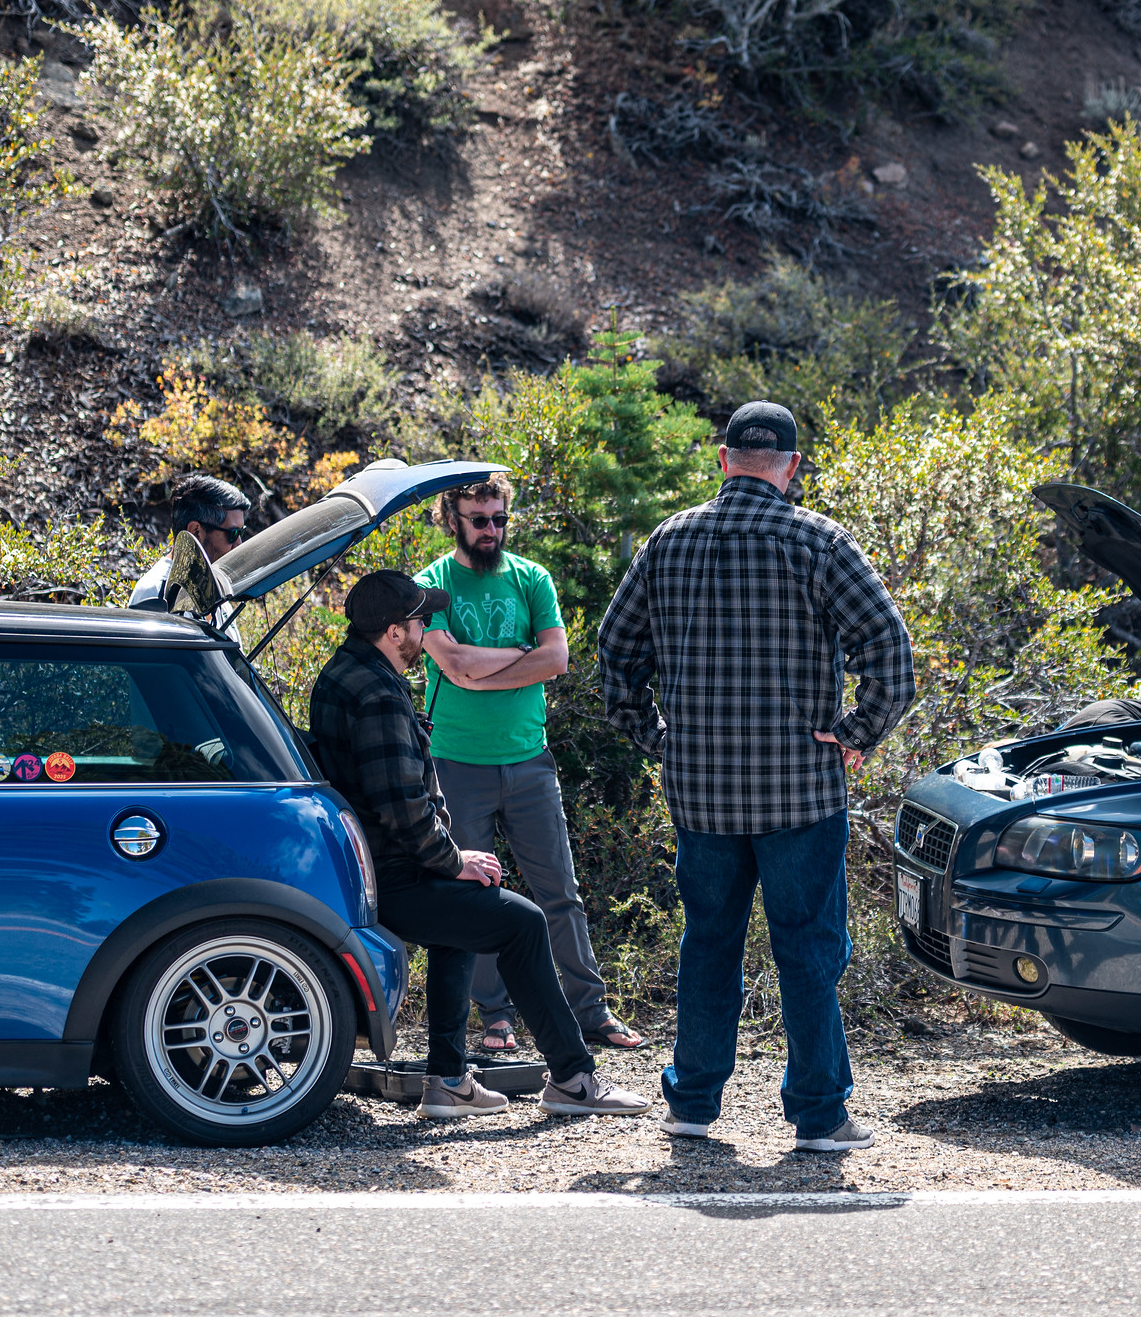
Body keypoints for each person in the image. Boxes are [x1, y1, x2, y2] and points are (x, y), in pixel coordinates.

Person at [597, 402, 916, 1152]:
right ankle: (820, 1116)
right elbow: (892, 657)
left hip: (700, 793)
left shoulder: (668, 540)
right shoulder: (820, 541)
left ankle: (691, 1103)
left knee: (708, 942)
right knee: (807, 949)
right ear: (792, 467)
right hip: (800, 792)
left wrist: (659, 738)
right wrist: (854, 732)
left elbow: (615, 654)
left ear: (723, 459)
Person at [309, 570, 650, 1121]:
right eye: (420, 620)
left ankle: (447, 1081)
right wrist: (452, 860)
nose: (425, 628)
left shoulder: (343, 673)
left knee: (463, 922)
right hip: (391, 877)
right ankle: (572, 1079)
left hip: (367, 868)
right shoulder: (378, 695)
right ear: (394, 632)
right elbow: (401, 806)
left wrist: (452, 864)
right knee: (523, 922)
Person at [417, 475, 645, 1055]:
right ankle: (495, 1016)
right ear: (452, 519)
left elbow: (556, 658)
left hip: (529, 761)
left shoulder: (532, 577)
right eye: (479, 519)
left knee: (559, 892)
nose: (491, 530)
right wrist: (518, 656)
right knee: (474, 896)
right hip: (456, 762)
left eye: (499, 518)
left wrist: (482, 671)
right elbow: (452, 665)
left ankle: (590, 1011)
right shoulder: (430, 585)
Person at [129, 475, 250, 612]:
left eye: (241, 532)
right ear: (195, 531)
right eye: (233, 533)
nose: (239, 543)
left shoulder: (217, 596)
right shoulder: (155, 594)